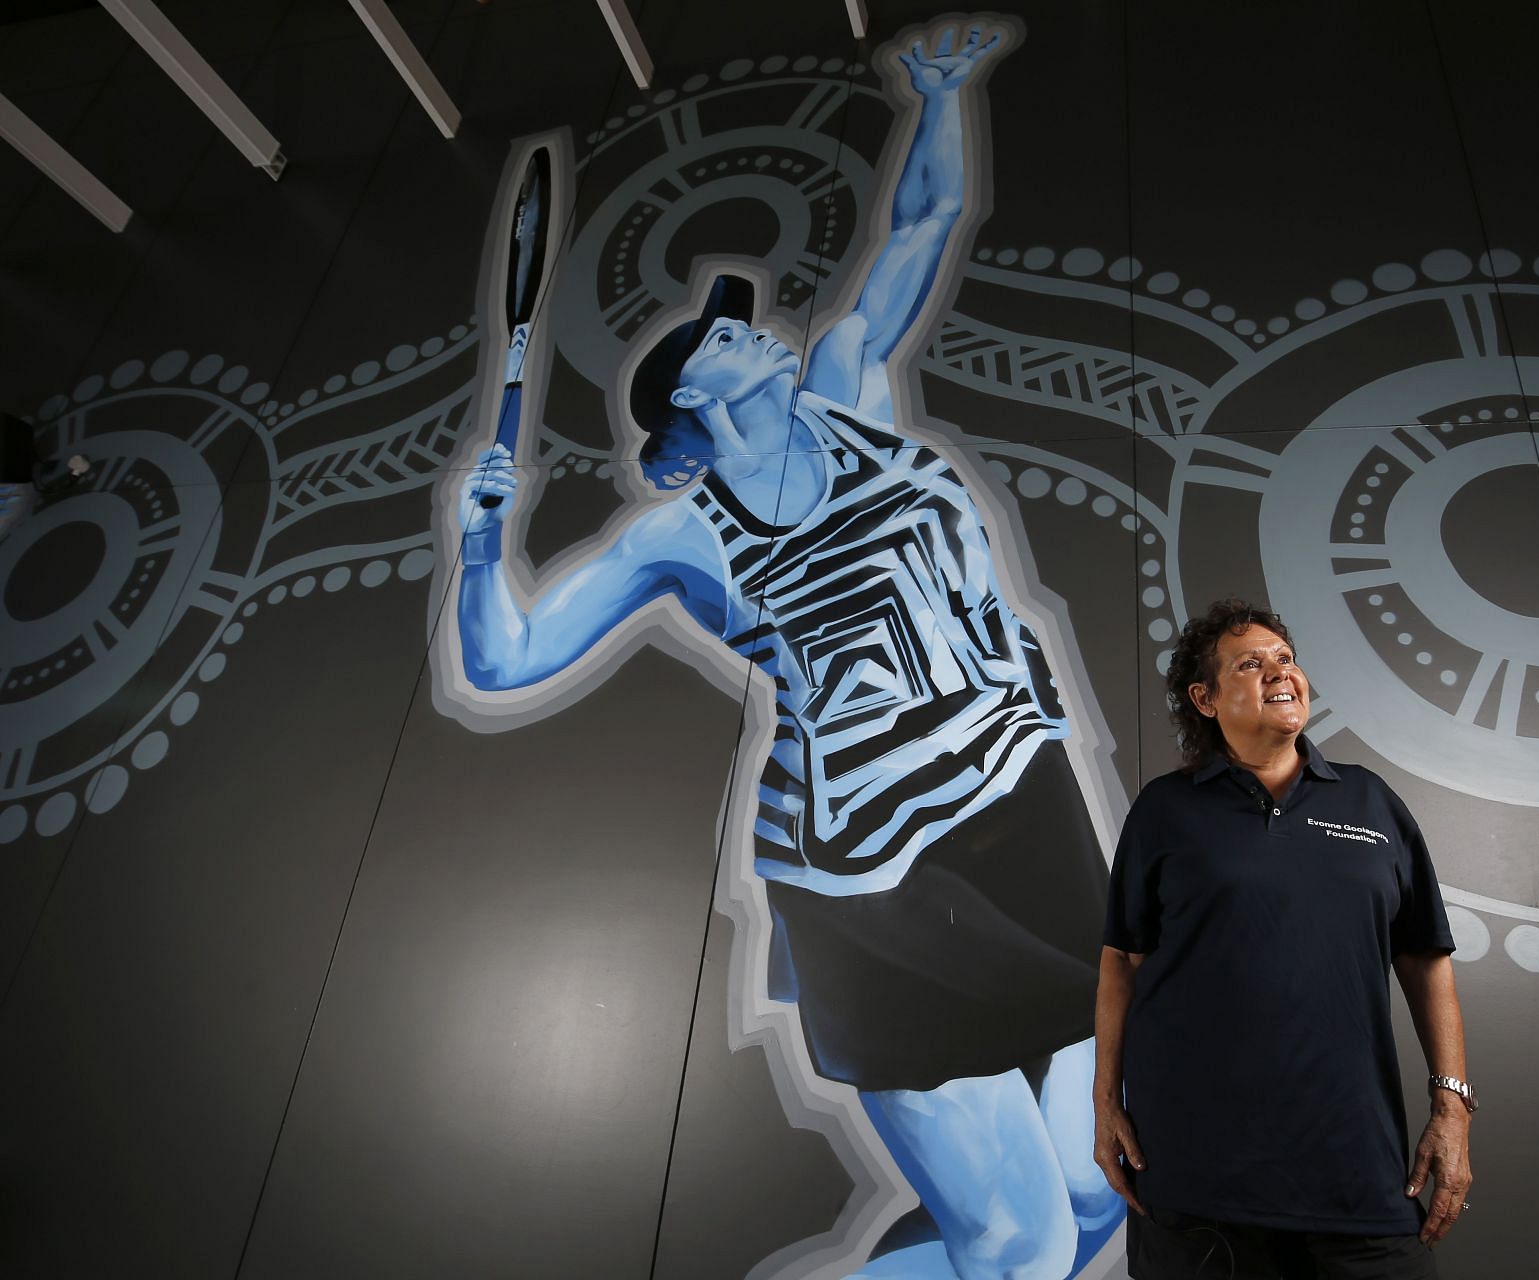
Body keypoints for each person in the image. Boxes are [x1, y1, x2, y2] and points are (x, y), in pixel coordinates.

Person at [451, 23, 1122, 1280]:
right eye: (719, 335)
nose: (750, 325)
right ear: (692, 405)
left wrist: (936, 98)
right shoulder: (683, 538)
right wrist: (484, 544)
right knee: (1018, 1248)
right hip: (873, 877)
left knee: (1098, 1195)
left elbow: (919, 228)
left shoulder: (851, 388)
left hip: (1023, 811)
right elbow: (506, 659)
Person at [1093, 599, 1473, 1279]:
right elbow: (1122, 958)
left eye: (1286, 659)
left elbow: (1425, 956)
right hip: (1196, 1182)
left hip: (1357, 1173)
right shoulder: (1165, 810)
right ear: (1205, 699)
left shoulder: (1371, 802)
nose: (1279, 672)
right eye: (1251, 662)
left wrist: (1452, 1107)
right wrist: (1104, 1101)